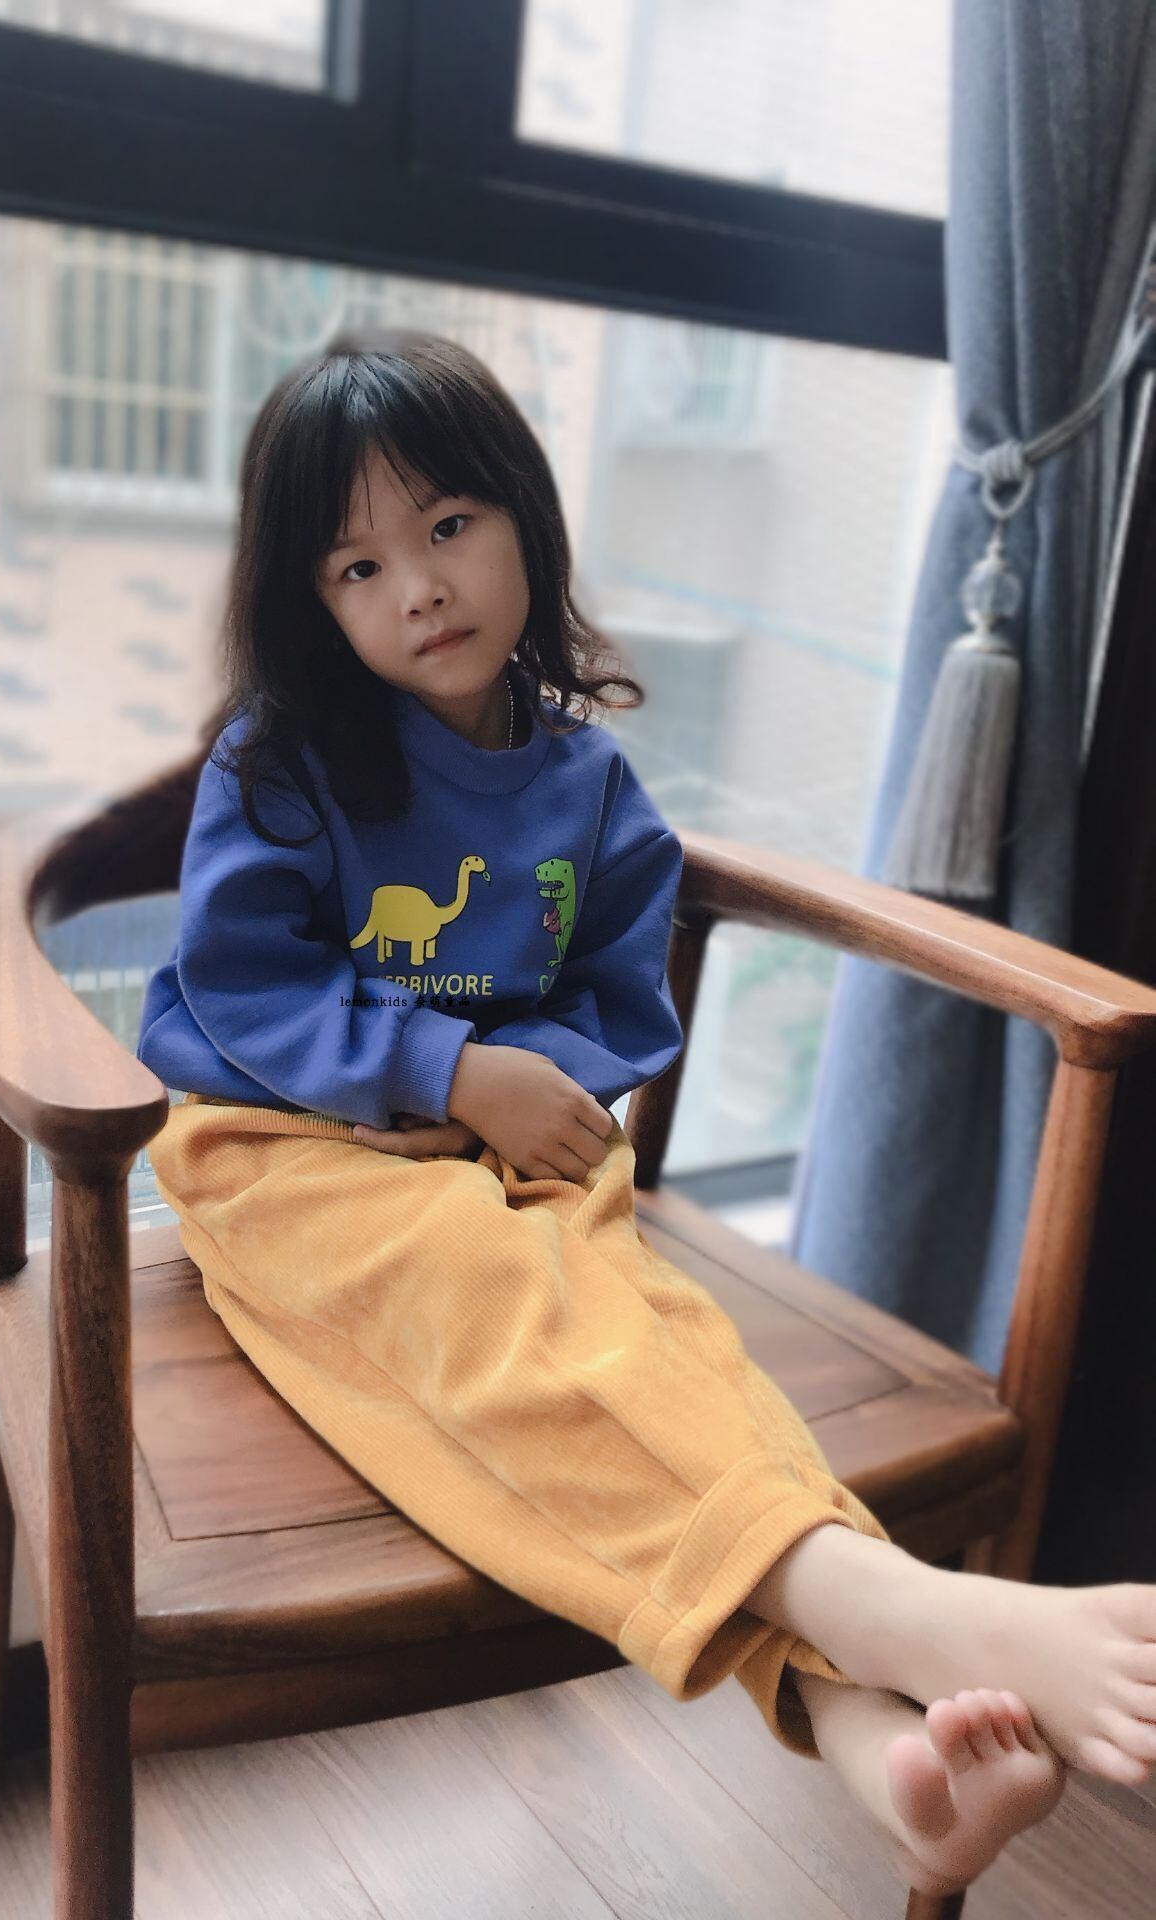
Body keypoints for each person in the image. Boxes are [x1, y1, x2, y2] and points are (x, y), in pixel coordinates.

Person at [137, 327, 1153, 1897]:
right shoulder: (282, 766)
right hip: (292, 1150)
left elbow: (620, 1003)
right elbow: (233, 994)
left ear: (525, 522)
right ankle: (890, 1609)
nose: (419, 587)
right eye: (358, 566)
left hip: (524, 1152)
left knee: (653, 1356)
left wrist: (521, 1093)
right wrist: (447, 1071)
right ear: (310, 602)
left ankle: (868, 1737)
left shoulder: (588, 789)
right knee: (507, 1332)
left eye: (450, 526)